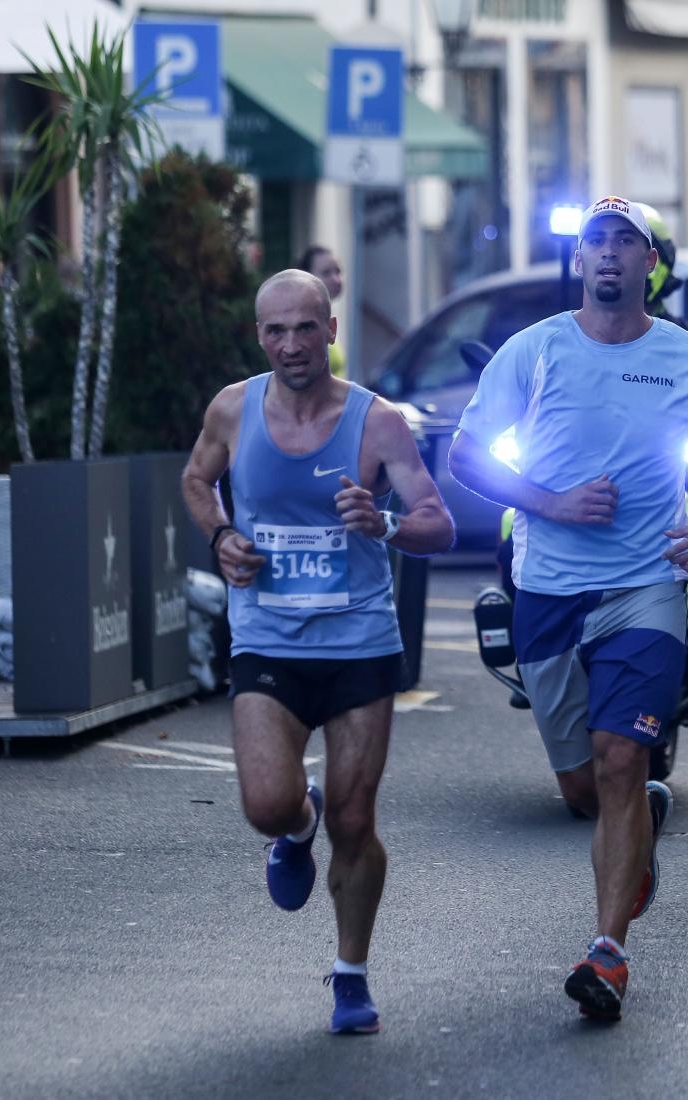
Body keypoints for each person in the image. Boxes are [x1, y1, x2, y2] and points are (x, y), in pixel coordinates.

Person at [448, 196, 688, 1021]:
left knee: (623, 762)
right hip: (547, 591)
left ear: (650, 263)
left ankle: (608, 952)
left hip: (647, 585)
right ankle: (637, 834)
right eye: (597, 241)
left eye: (628, 241)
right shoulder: (533, 350)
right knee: (584, 788)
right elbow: (466, 453)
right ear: (579, 263)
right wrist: (549, 501)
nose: (611, 254)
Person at [180, 269, 456, 1035]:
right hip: (267, 638)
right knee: (268, 804)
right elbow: (197, 480)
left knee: (355, 817)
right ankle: (292, 831)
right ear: (259, 335)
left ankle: (350, 974)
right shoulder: (233, 410)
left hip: (360, 643)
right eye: (276, 330)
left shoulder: (377, 422)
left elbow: (439, 522)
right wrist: (222, 535)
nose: (292, 344)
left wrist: (387, 523)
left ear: (331, 331)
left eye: (306, 327)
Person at [299, 245, 348, 379]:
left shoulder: (326, 317)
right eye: (326, 273)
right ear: (307, 277)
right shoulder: (303, 321)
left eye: (338, 272)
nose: (336, 280)